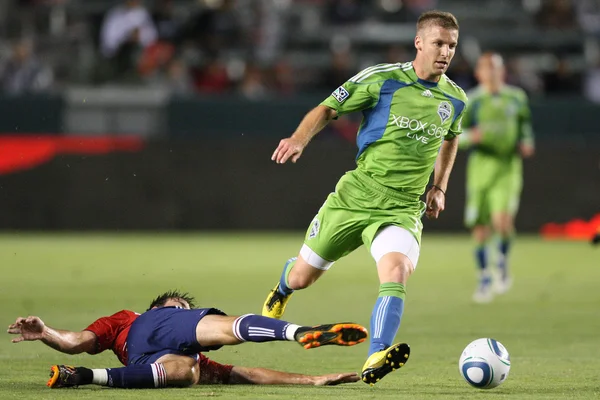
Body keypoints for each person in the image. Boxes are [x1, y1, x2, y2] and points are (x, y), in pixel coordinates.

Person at [261, 10, 467, 385]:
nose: (446, 52)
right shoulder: (382, 78)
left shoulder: (454, 98)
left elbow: (451, 137)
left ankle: (377, 354)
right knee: (303, 277)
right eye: (439, 43)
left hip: (403, 207)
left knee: (396, 272)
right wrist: (298, 139)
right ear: (419, 42)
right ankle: (283, 286)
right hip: (355, 197)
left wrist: (439, 187)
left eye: (452, 45)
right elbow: (328, 107)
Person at [8, 290, 366, 389]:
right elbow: (77, 339)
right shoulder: (127, 319)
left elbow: (247, 374)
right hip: (148, 337)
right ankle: (296, 331)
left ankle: (85, 377)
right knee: (223, 329)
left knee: (189, 373)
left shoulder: (195, 357)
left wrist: (315, 379)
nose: (182, 309)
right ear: (158, 308)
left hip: (146, 365)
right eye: (176, 306)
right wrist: (47, 332)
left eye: (184, 308)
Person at [459, 53, 534, 303]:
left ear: (503, 72)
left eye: (496, 68)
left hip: (507, 167)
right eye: (486, 69)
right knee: (480, 230)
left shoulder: (516, 97)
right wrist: (472, 137)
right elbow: (455, 136)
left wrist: (526, 141)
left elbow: (524, 126)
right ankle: (483, 278)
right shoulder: (472, 100)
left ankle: (501, 261)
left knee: (502, 221)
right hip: (481, 168)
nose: (491, 73)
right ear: (479, 73)